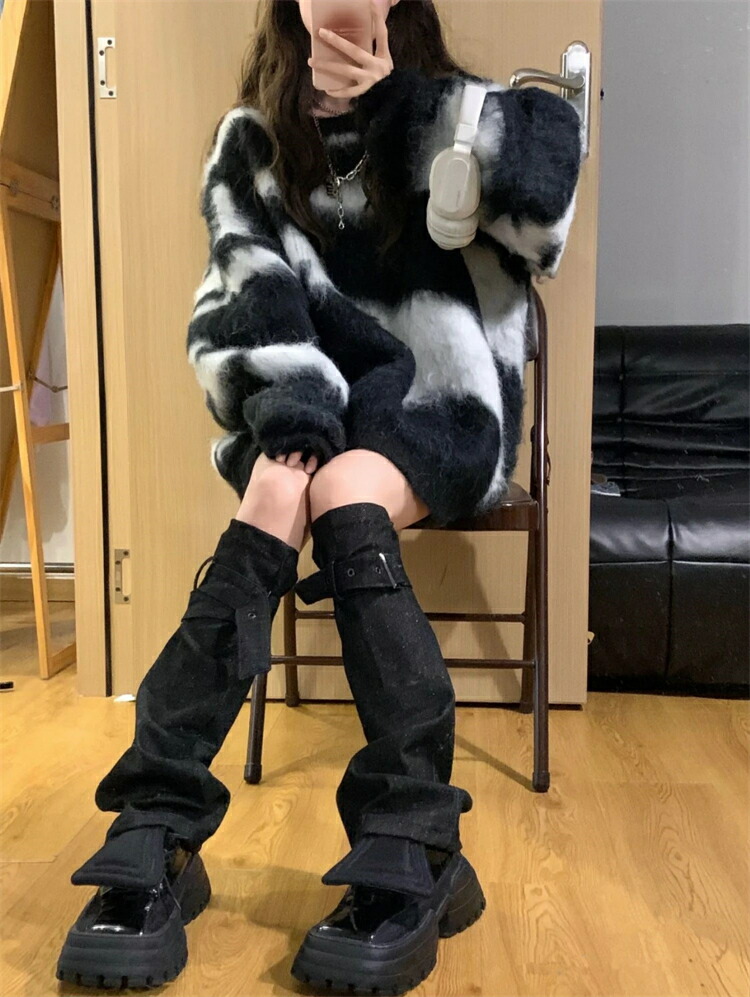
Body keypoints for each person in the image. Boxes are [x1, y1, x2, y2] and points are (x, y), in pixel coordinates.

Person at [56, 0, 583, 992]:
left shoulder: (455, 107)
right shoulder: (253, 142)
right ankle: (158, 822)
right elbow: (244, 291)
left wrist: (402, 104)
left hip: (439, 402)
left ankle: (414, 833)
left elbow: (545, 198)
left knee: (340, 491)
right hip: (317, 400)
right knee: (273, 490)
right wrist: (294, 415)